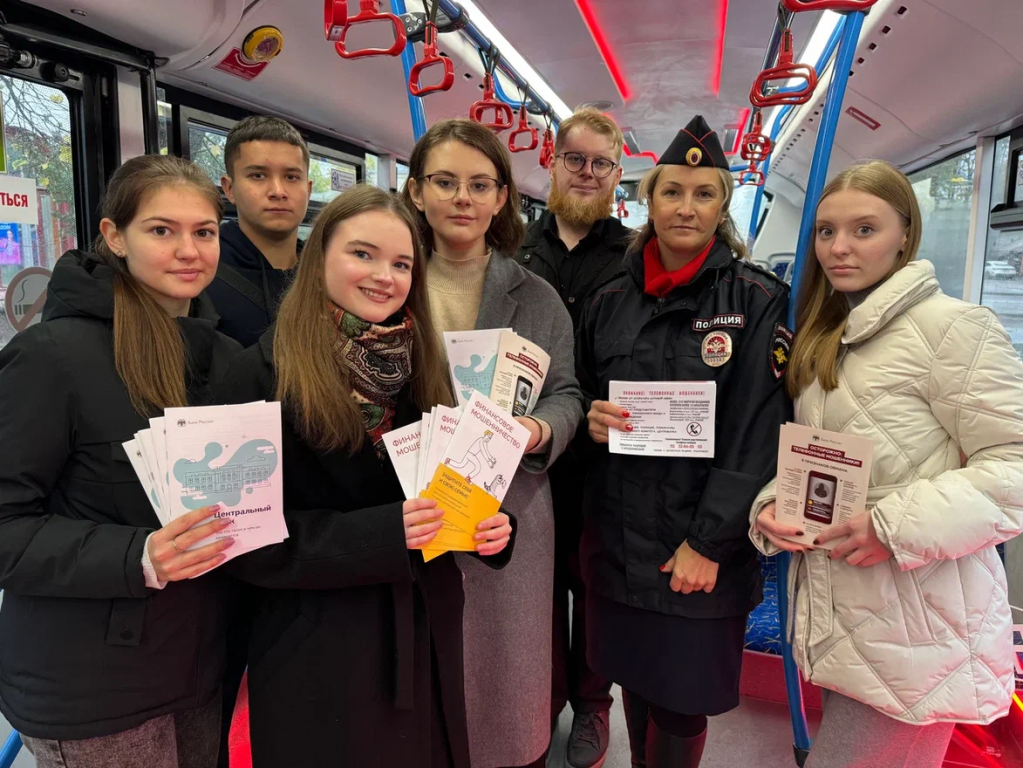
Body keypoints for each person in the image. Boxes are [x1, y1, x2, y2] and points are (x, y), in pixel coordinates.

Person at [213, 184, 514, 767]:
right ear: (318, 256)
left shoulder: (424, 365)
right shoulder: (255, 374)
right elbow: (240, 540)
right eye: (362, 254)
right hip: (321, 652)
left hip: (424, 635)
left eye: (401, 263)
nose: (384, 276)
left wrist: (492, 527)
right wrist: (381, 535)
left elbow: (454, 481)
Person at [750, 159, 1023, 768]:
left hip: (919, 627)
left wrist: (892, 526)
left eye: (864, 230)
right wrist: (774, 503)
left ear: (905, 235)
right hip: (848, 614)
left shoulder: (954, 330)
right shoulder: (828, 332)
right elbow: (824, 452)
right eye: (826, 231)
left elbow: (1014, 465)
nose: (838, 248)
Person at [0, 155, 242, 768]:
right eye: (162, 230)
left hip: (198, 664)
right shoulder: (51, 357)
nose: (188, 250)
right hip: (91, 686)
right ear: (114, 236)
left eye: (204, 231)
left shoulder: (224, 358)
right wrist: (138, 555)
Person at [576, 115, 791, 768]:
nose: (685, 208)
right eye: (671, 191)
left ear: (723, 205)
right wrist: (588, 417)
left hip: (698, 551)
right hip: (617, 543)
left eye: (703, 194)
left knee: (679, 701)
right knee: (633, 680)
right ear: (648, 198)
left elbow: (758, 433)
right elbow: (577, 393)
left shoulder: (755, 300)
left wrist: (708, 544)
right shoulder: (608, 298)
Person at [402, 118, 583, 768]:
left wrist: (541, 428)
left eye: (480, 185)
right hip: (411, 499)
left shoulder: (536, 296)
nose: (462, 198)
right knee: (417, 667)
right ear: (416, 191)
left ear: (502, 197)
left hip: (509, 503)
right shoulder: (389, 281)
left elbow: (566, 393)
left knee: (503, 671)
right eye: (444, 182)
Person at [513, 106, 631, 768]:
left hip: (604, 458)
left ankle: (591, 703)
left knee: (591, 588)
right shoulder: (511, 249)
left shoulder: (635, 258)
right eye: (575, 159)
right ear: (552, 163)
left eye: (601, 163)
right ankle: (541, 697)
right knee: (529, 587)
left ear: (617, 174)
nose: (587, 172)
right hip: (524, 452)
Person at [205, 115, 312, 347]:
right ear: (229, 189)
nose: (278, 191)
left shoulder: (326, 271)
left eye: (291, 177)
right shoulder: (200, 270)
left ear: (309, 189)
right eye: (258, 176)